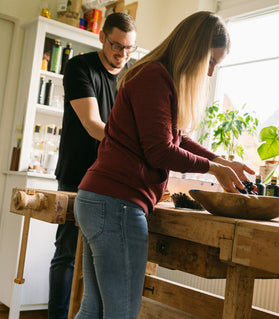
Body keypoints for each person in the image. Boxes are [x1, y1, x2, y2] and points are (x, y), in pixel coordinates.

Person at [73, 11, 254, 318]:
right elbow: (160, 151)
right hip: (118, 205)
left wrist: (220, 160)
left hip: (102, 200)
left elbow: (178, 139)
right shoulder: (154, 77)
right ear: (194, 52)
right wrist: (214, 170)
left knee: (94, 310)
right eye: (210, 61)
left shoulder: (156, 76)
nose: (210, 73)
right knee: (121, 312)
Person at [49, 13, 137, 319]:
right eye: (116, 45)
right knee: (67, 255)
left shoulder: (132, 77)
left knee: (103, 263)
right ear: (102, 37)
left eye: (128, 49)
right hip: (77, 174)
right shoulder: (79, 67)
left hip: (114, 183)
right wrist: (135, 147)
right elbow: (92, 124)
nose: (122, 54)